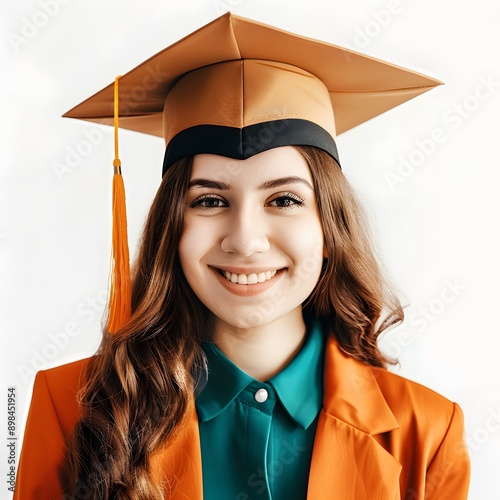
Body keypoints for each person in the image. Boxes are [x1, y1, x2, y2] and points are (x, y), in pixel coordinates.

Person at [13, 13, 470, 499]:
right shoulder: (74, 409)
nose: (246, 240)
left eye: (284, 200)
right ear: (173, 226)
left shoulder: (426, 432)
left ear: (329, 226)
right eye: (210, 201)